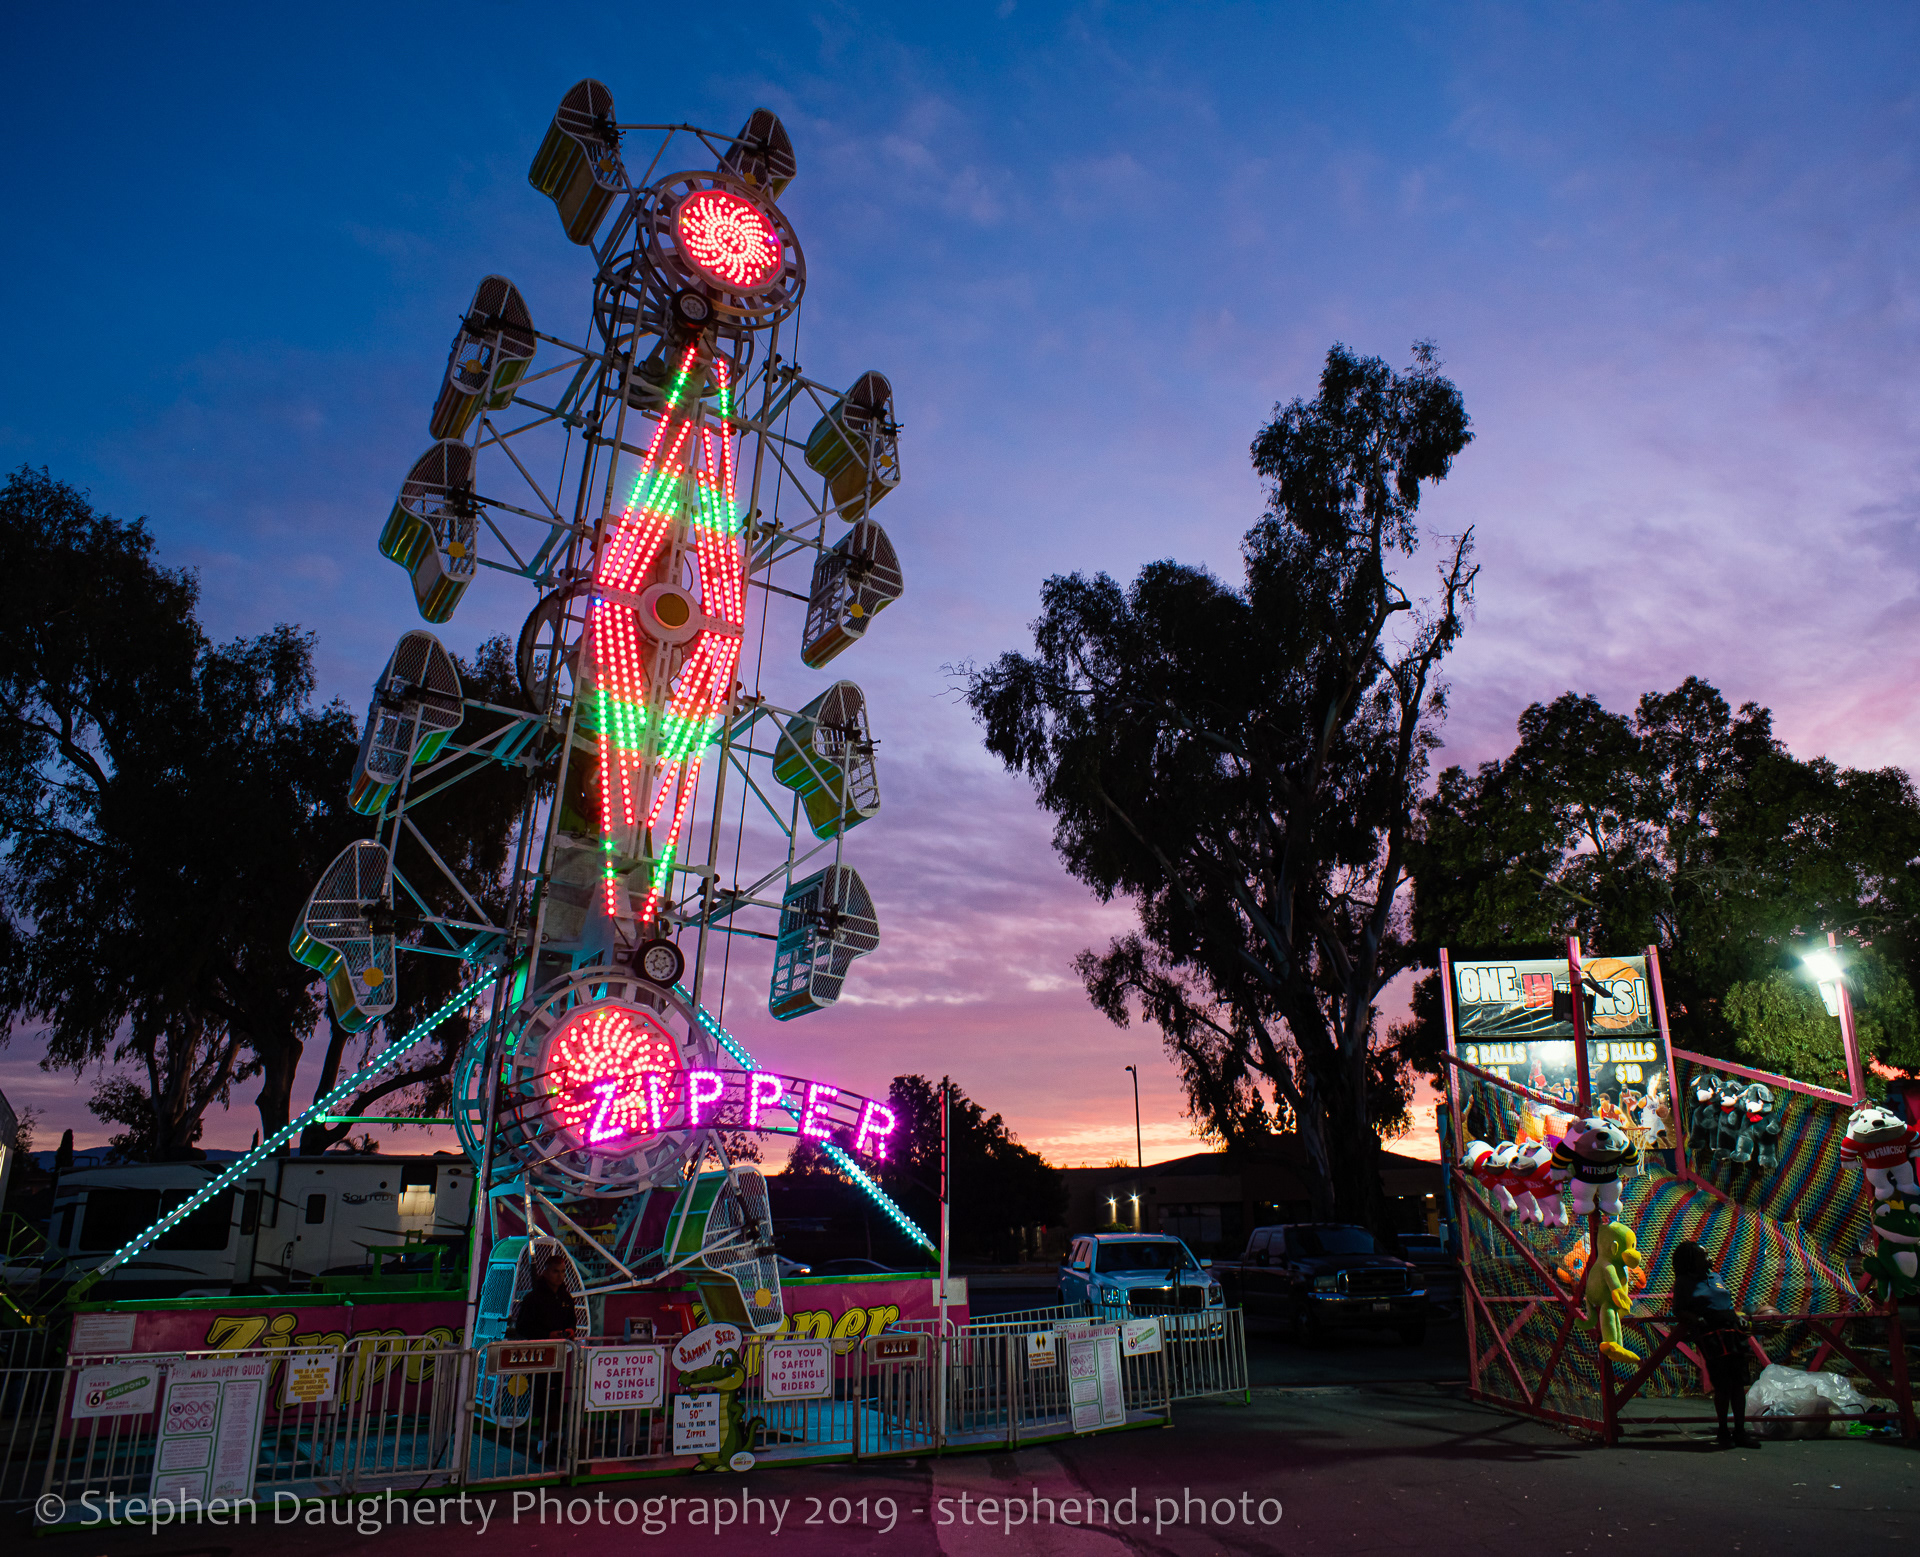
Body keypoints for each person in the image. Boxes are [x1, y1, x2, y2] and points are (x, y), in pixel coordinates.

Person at [1671, 1240, 1759, 1448]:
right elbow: (1679, 1309)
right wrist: (1696, 1320)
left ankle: (1740, 1431)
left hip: (1731, 1330)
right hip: (1711, 1333)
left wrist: (1738, 1317)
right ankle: (1722, 1431)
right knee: (1723, 1385)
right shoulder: (1684, 1282)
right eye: (1705, 1255)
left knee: (1738, 1383)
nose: (1710, 1258)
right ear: (1692, 1261)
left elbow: (1726, 1303)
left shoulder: (1716, 1276)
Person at [512, 1256, 580, 1340]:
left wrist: (571, 1330)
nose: (560, 1276)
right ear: (545, 1272)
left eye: (562, 1272)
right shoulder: (533, 1298)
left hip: (562, 1346)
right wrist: (547, 1335)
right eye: (555, 1271)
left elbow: (572, 1321)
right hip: (539, 1348)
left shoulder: (566, 1298)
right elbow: (522, 1328)